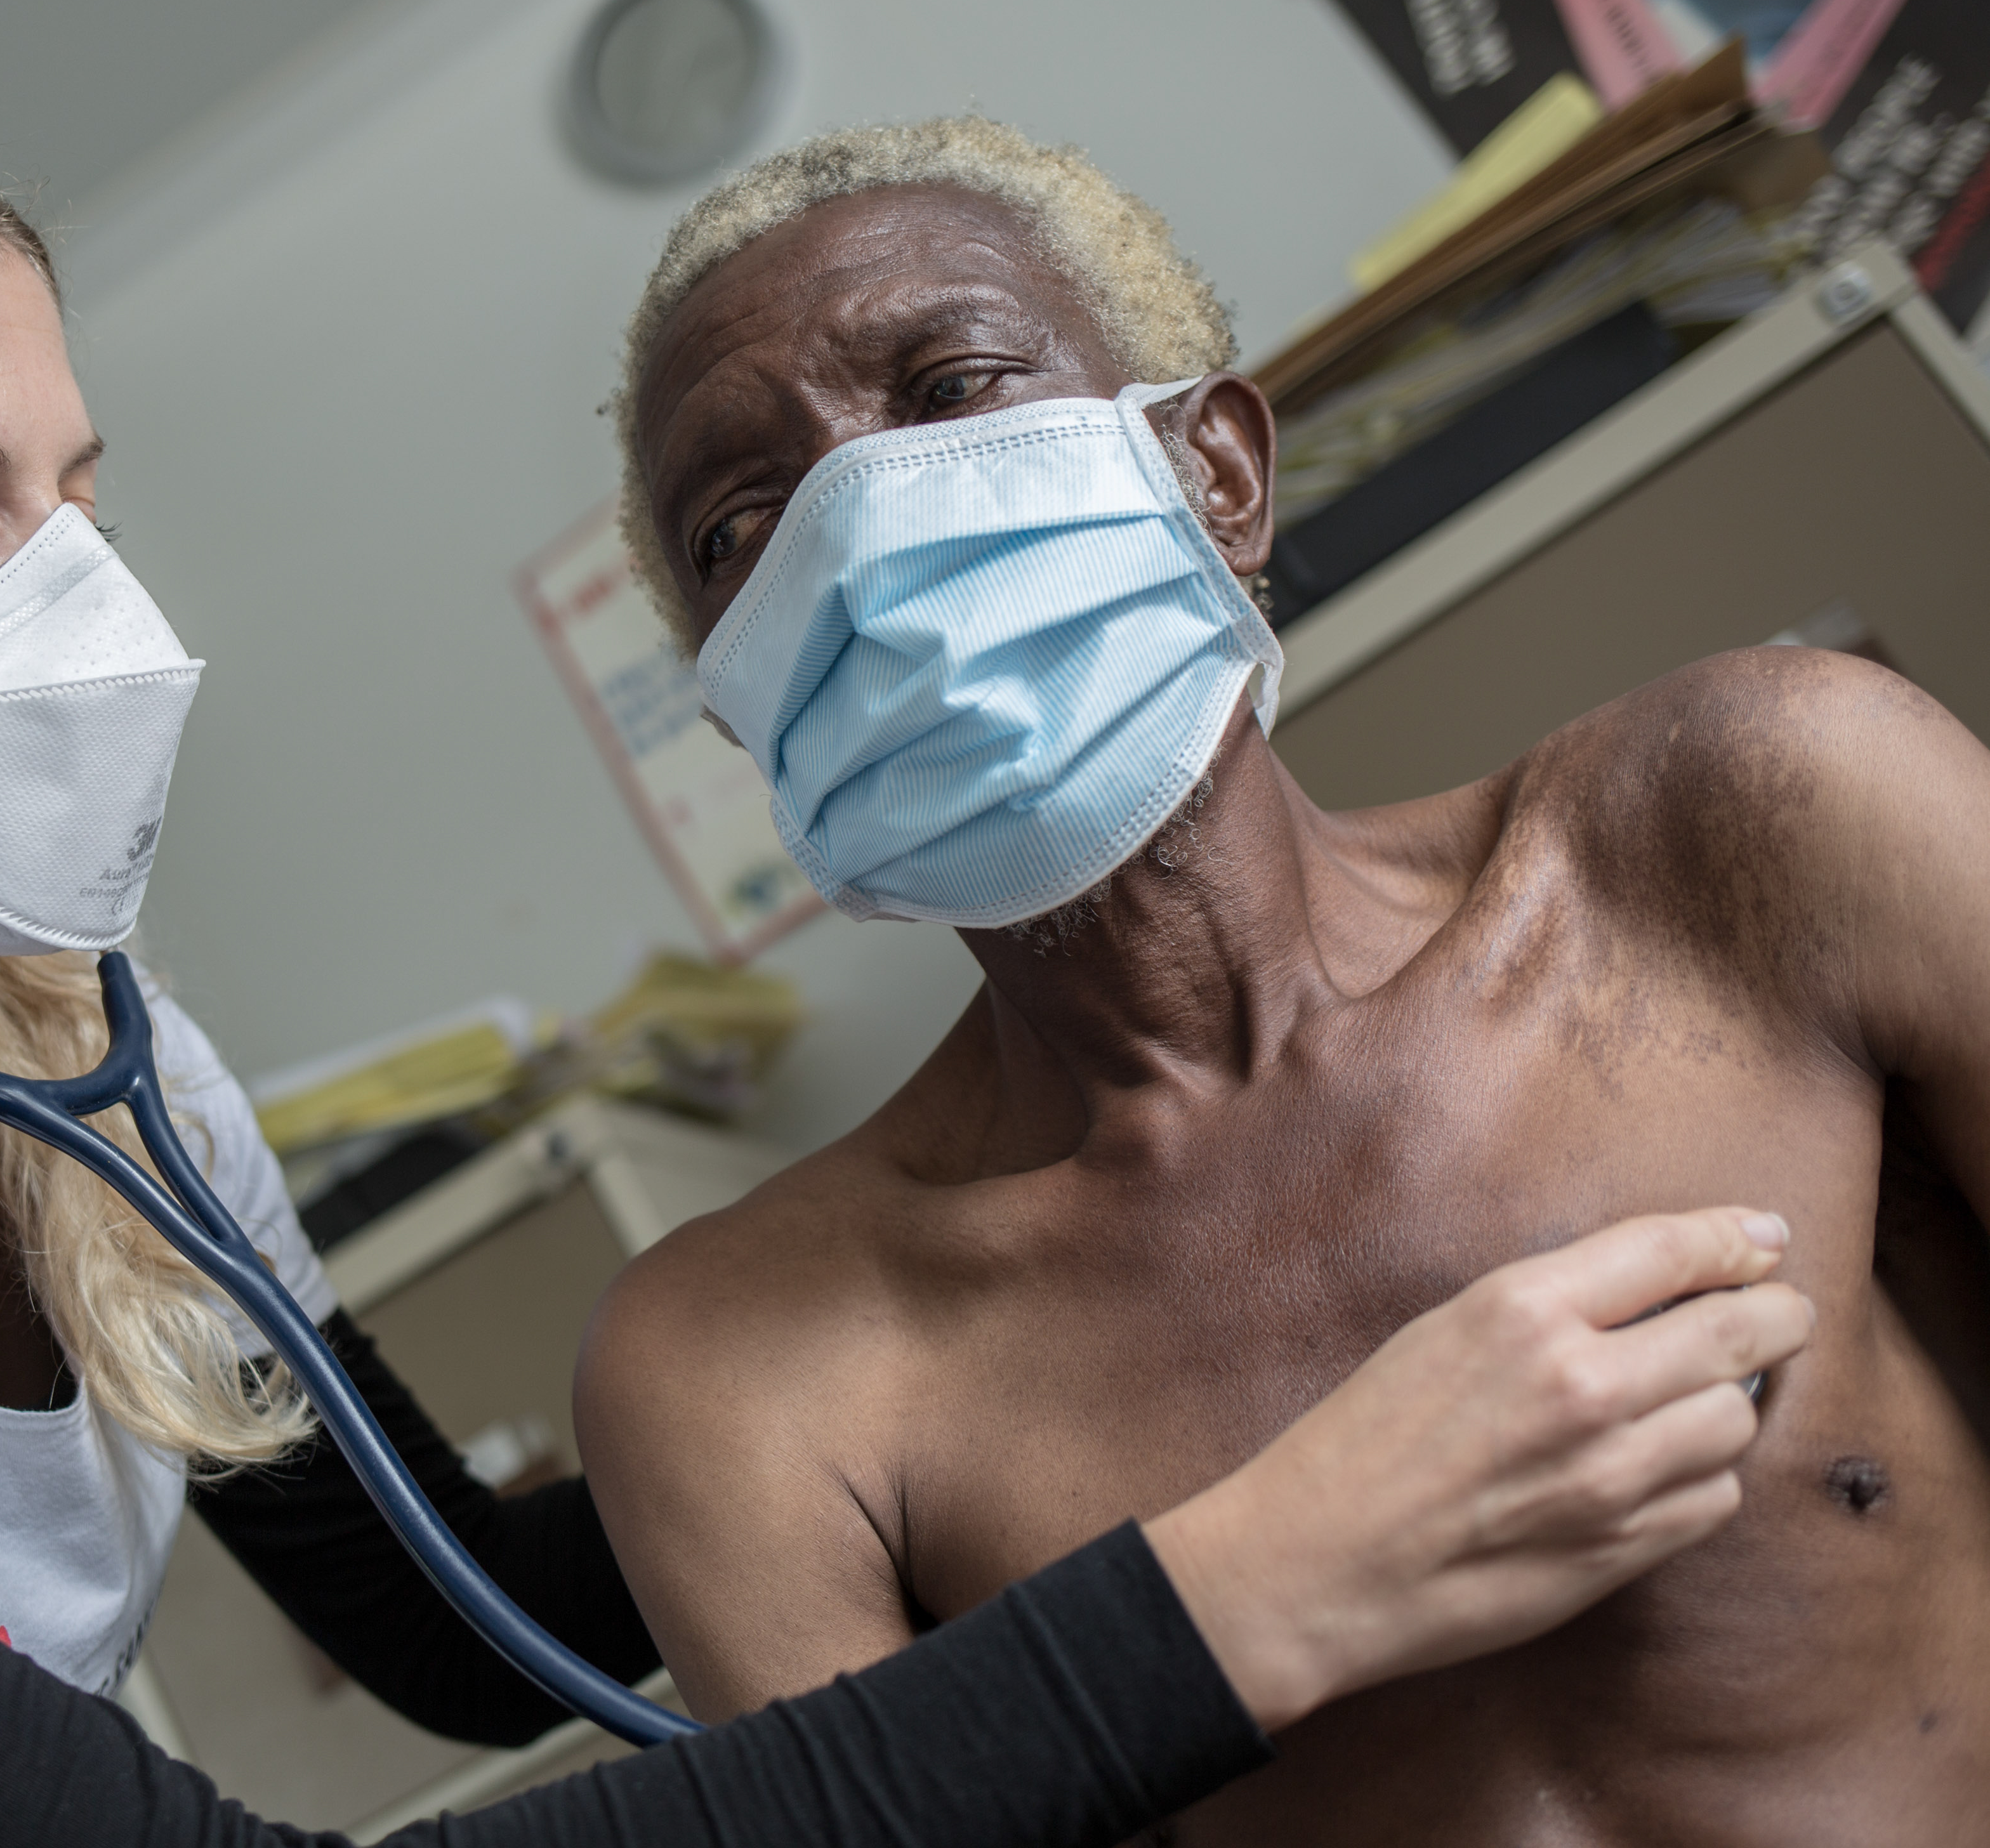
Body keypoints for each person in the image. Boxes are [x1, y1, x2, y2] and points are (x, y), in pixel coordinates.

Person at [0, 109, 1810, 1848]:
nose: (88, 601)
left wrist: (954, 1309)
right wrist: (1267, 1575)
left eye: (76, 494)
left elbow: (437, 1632)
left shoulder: (85, 1061)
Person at [576, 115, 1990, 1843]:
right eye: (738, 526)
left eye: (948, 390)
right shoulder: (748, 1363)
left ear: (1216, 472)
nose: (858, 542)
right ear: (742, 706)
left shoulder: (1766, 825)